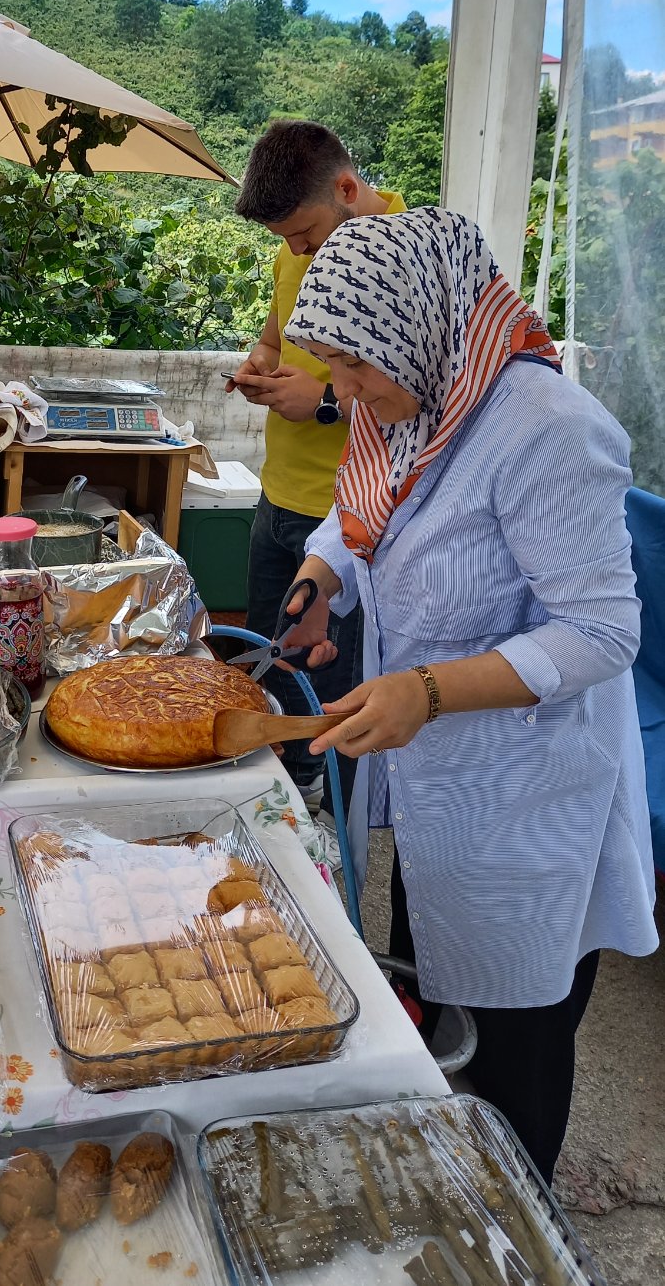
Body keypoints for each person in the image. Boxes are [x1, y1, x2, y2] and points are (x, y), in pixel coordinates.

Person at [276, 205, 658, 1183]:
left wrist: (429, 690)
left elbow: (601, 632)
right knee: (437, 999)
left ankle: (512, 1217)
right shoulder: (405, 400)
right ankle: (442, 1178)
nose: (343, 394)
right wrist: (320, 581)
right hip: (439, 779)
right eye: (335, 370)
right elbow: (359, 510)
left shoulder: (546, 433)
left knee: (511, 1049)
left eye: (354, 370)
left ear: (419, 326)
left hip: (528, 793)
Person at [229, 120, 406, 808]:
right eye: (286, 242)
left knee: (326, 694)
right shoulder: (297, 247)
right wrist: (261, 367)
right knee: (270, 666)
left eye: (305, 233)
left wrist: (325, 402)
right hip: (280, 502)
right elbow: (276, 338)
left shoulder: (404, 253)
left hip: (349, 514)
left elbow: (423, 402)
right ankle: (272, 796)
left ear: (347, 186)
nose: (299, 250)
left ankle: (318, 824)